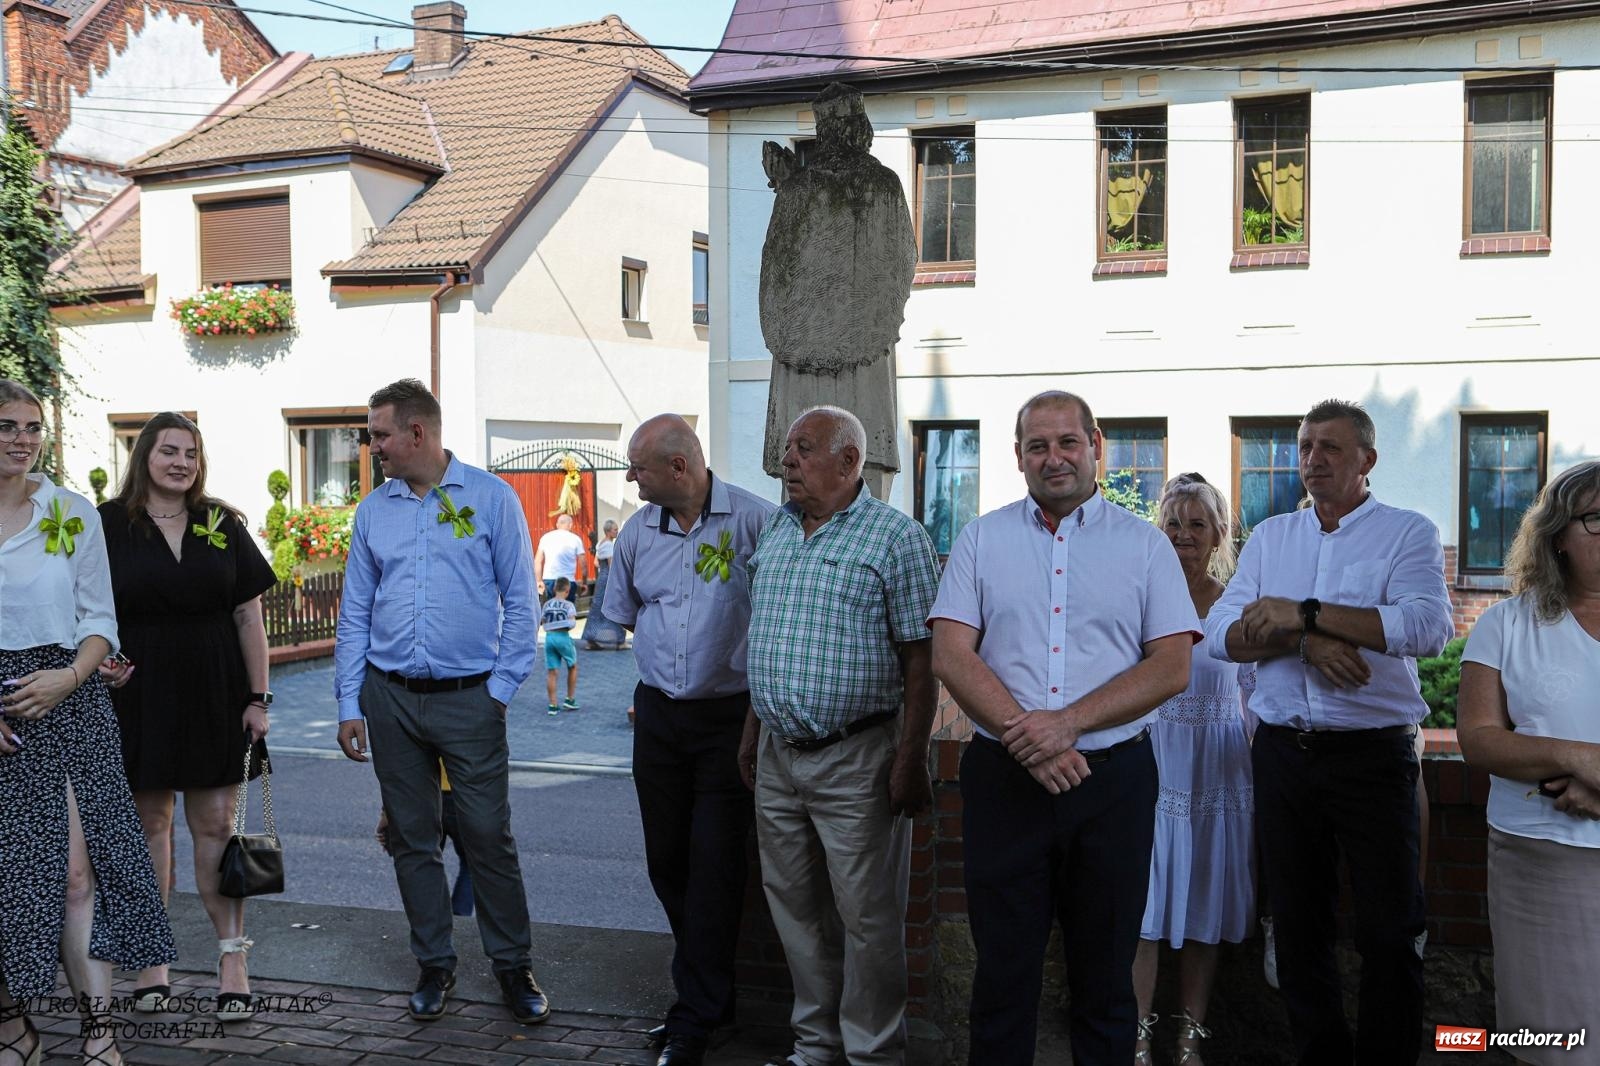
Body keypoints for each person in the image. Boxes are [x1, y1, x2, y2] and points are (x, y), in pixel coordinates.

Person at [929, 391, 1197, 1066]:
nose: (1054, 458)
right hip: (1004, 782)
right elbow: (951, 653)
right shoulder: (981, 539)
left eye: (1067, 443)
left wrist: (1067, 724)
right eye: (1038, 445)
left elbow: (1171, 667)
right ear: (1018, 456)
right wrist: (1029, 735)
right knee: (1002, 975)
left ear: (1096, 446)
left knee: (1106, 979)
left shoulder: (1145, 548)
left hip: (1113, 785)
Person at [1204, 399, 1453, 1065]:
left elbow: (1428, 627)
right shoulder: (1272, 538)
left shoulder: (1409, 532)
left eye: (1330, 448)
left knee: (1390, 931)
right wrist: (1306, 639)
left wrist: (1304, 612)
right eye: (1306, 445)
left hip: (1373, 756)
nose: (1312, 459)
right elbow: (1218, 638)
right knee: (1298, 925)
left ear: (1367, 460)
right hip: (1285, 754)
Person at [334, 378, 550, 1026]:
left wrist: (500, 694)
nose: (373, 447)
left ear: (416, 433)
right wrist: (351, 702)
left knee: (488, 835)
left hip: (469, 700)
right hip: (390, 698)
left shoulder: (492, 498)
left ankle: (514, 967)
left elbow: (523, 604)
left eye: (379, 435)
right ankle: (435, 964)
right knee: (411, 839)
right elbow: (355, 614)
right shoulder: (375, 511)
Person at [742, 405, 940, 1066]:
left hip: (857, 756)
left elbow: (921, 658)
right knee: (794, 909)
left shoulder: (895, 539)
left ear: (849, 460)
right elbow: (763, 640)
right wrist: (753, 731)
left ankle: (874, 1053)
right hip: (777, 755)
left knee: (867, 917)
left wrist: (911, 758)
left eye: (802, 449)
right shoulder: (775, 529)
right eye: (786, 449)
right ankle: (816, 1046)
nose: (786, 461)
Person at [0, 379, 176, 1066]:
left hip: (68, 698)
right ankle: (15, 1027)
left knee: (78, 875)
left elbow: (100, 619)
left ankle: (99, 1033)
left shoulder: (68, 512)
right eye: (7, 425)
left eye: (31, 427)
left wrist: (69, 678)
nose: (21, 438)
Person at [602, 414, 774, 1066]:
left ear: (678, 468)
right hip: (658, 720)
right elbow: (619, 616)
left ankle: (696, 1016)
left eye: (637, 468)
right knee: (667, 861)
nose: (629, 478)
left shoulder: (756, 523)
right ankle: (710, 997)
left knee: (715, 869)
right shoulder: (637, 533)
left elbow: (772, 618)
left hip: (729, 719)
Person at [96, 412, 277, 1022]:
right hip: (136, 691)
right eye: (169, 450)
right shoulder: (106, 525)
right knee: (149, 824)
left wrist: (259, 699)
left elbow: (249, 618)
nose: (180, 462)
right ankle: (152, 962)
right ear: (144, 454)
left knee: (217, 827)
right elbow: (81, 609)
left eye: (191, 454)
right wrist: (97, 663)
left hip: (214, 689)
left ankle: (233, 958)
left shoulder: (220, 523)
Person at [1457, 460, 1600, 1066]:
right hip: (1541, 858)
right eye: (1596, 520)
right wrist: (1577, 757)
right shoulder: (1504, 624)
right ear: (1557, 535)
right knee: (1551, 1040)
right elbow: (1479, 739)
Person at [1132, 473, 1255, 1066]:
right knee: (1145, 905)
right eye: (1173, 523)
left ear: (1219, 534)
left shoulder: (1237, 604)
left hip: (1218, 766)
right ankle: (1137, 1034)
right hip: (1153, 763)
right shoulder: (1142, 595)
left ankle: (1189, 1038)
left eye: (1196, 524)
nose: (1182, 535)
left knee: (1205, 895)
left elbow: (1256, 690)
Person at [584, 519, 626, 649]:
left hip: (601, 578)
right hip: (609, 579)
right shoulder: (609, 545)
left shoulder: (600, 544)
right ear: (608, 531)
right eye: (615, 529)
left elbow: (596, 563)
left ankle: (591, 639)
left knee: (597, 609)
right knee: (613, 608)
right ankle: (620, 641)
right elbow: (612, 565)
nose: (617, 531)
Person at [541, 577, 579, 714]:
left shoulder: (547, 605)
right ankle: (569, 699)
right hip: (563, 637)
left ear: (553, 589)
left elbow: (543, 620)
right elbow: (572, 623)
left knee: (552, 672)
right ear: (568, 591)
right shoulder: (569, 605)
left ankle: (552, 705)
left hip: (549, 637)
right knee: (572, 666)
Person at [535, 513, 587, 604]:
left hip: (549, 579)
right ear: (570, 525)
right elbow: (583, 564)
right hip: (568, 581)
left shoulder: (546, 538)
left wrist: (538, 581)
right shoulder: (575, 539)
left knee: (550, 609)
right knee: (568, 610)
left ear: (557, 524)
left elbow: (537, 561)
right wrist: (584, 582)